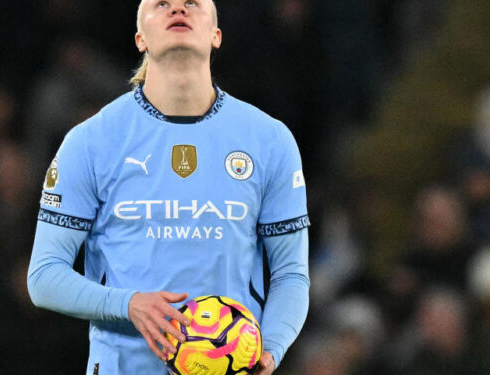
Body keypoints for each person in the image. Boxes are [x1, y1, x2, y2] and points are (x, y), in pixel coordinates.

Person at [27, 1, 310, 373]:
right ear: (140, 38)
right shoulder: (91, 141)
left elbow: (291, 274)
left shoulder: (270, 141)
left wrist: (272, 345)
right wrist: (128, 304)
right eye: (161, 3)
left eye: (193, 2)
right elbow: (44, 276)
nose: (178, 7)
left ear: (216, 35)